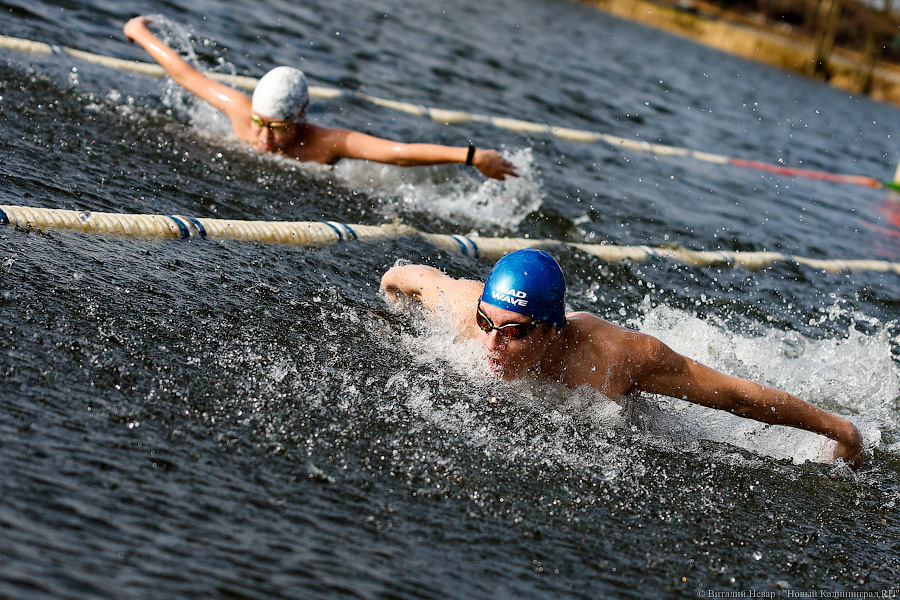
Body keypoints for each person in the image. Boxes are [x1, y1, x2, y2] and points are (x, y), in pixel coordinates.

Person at [380, 248, 865, 469]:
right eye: (488, 325)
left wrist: (840, 431)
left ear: (552, 329)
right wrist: (390, 292)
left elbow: (735, 396)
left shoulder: (618, 357)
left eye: (513, 333)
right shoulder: (469, 311)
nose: (491, 345)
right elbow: (409, 277)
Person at [123, 17, 518, 180]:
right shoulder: (241, 112)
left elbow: (398, 152)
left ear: (299, 120)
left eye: (277, 129)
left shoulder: (325, 142)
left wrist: (472, 156)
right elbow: (186, 74)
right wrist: (139, 32)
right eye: (260, 124)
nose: (263, 138)